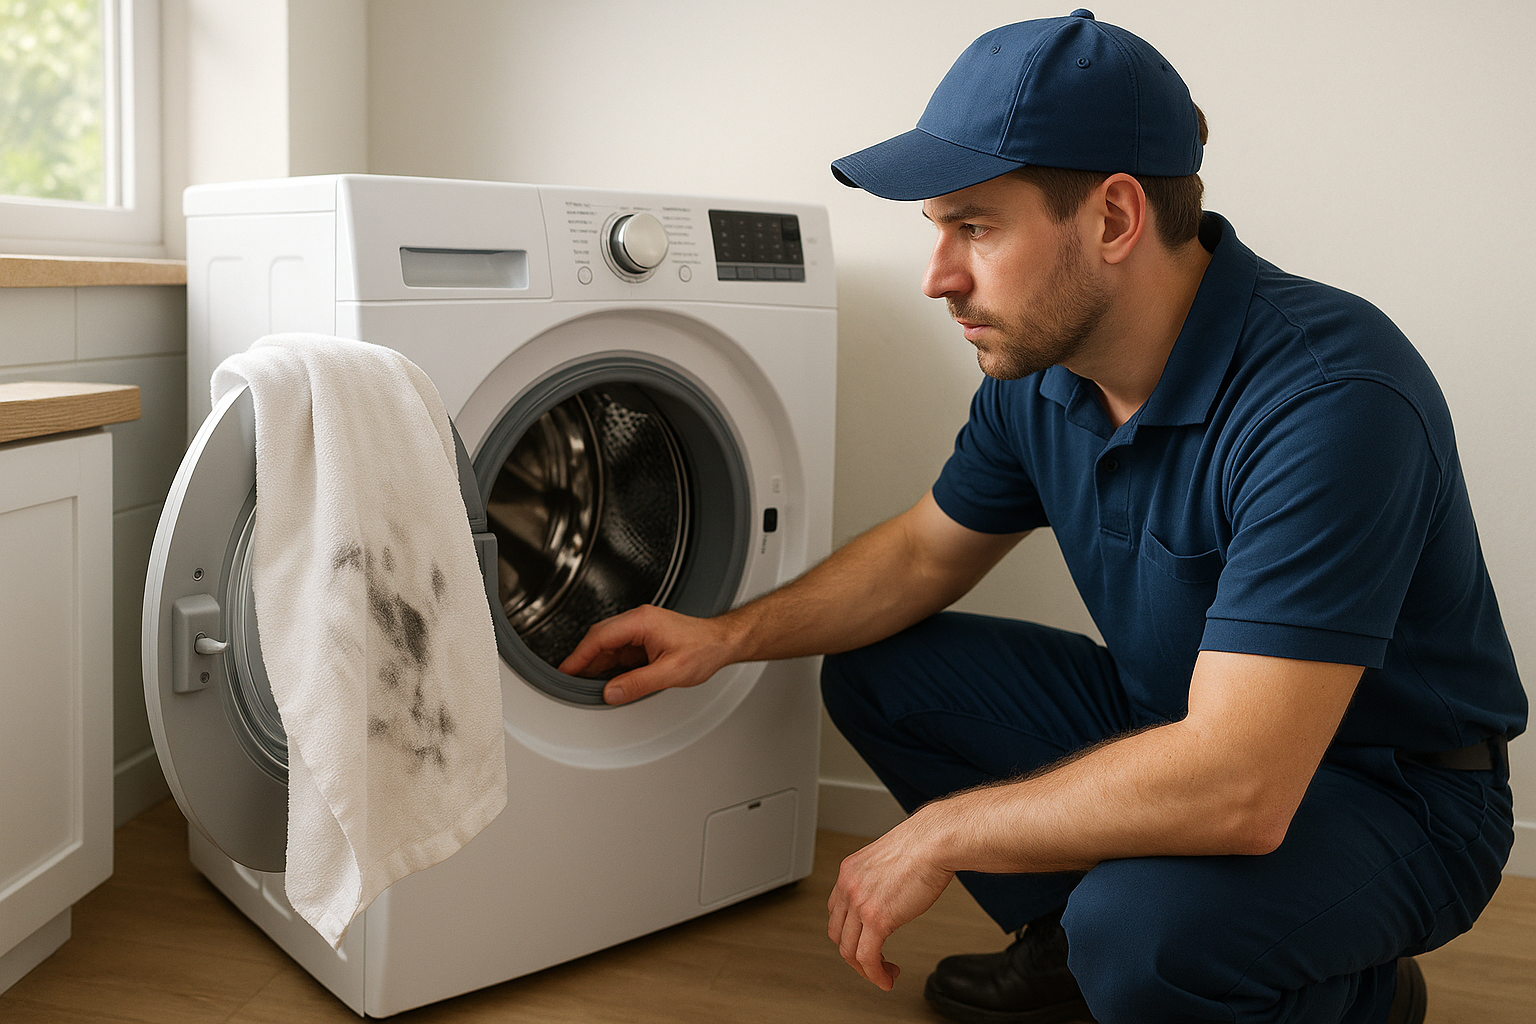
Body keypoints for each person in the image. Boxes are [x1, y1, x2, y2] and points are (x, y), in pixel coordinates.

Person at [559, 10, 1526, 1024]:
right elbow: (922, 556)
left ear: (1114, 219)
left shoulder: (1331, 399)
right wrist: (726, 636)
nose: (938, 275)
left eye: (974, 228)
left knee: (1138, 929)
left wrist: (945, 831)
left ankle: (1344, 992)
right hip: (1186, 726)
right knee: (883, 671)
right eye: (937, 229)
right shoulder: (1044, 373)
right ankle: (1075, 953)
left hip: (1392, 794)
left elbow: (1242, 782)